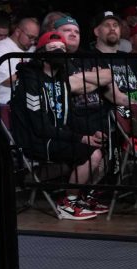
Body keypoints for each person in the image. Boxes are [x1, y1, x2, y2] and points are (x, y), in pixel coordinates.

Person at [10, 31, 107, 220]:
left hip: (56, 135)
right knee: (92, 154)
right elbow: (40, 127)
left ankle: (82, 197)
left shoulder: (61, 80)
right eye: (53, 48)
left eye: (62, 48)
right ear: (42, 53)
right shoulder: (30, 80)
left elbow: (69, 117)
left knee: (100, 147)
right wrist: (81, 138)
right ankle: (68, 203)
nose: (59, 51)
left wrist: (91, 133)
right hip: (35, 139)